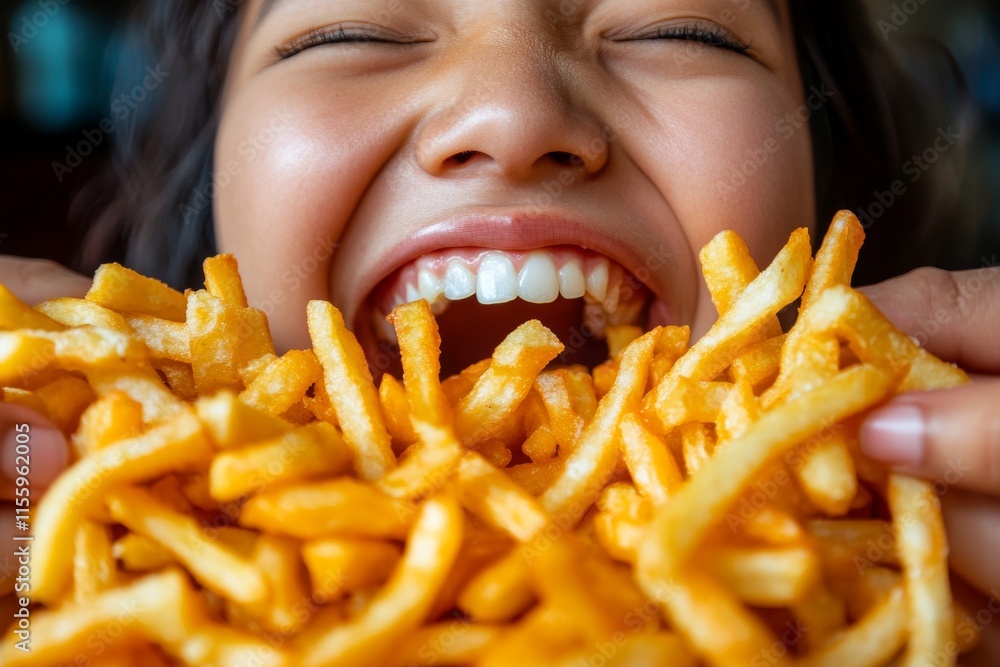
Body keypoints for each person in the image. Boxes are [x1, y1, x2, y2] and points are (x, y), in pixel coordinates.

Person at [2, 0, 998, 659]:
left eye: (676, 24)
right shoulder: (44, 548)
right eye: (351, 27)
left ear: (827, 171)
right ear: (208, 188)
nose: (514, 111)